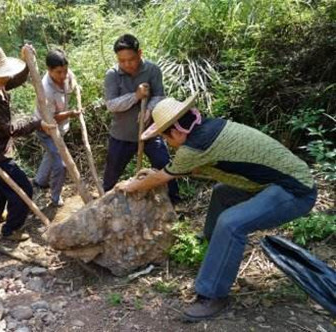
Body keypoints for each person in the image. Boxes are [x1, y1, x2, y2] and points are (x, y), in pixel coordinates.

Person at [117, 95, 317, 322]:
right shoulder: (209, 128)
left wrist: (132, 185)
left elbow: (164, 176)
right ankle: (212, 244)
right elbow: (185, 169)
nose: (167, 143)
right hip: (277, 182)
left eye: (165, 137)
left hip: (295, 191)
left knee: (231, 224)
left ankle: (213, 295)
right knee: (222, 192)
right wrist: (159, 175)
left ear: (176, 132)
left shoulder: (194, 147)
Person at [0, 45, 55, 241]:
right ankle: (11, 229)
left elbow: (15, 80)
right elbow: (11, 129)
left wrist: (27, 64)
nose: (6, 77)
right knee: (22, 189)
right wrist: (37, 123)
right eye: (2, 75)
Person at [103, 34, 180, 203]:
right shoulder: (113, 75)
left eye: (130, 59)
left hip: (151, 132)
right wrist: (136, 96)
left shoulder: (152, 70)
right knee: (112, 173)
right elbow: (111, 105)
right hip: (122, 134)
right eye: (121, 61)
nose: (126, 64)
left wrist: (150, 110)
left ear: (140, 53)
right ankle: (105, 203)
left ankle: (175, 202)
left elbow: (160, 95)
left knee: (164, 163)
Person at [32, 49, 81, 207]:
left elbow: (72, 78)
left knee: (51, 154)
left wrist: (73, 84)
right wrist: (71, 113)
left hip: (60, 128)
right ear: (49, 70)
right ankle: (55, 196)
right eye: (59, 72)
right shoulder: (46, 90)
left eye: (65, 71)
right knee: (61, 164)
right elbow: (51, 118)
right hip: (46, 129)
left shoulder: (65, 73)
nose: (63, 76)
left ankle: (39, 181)